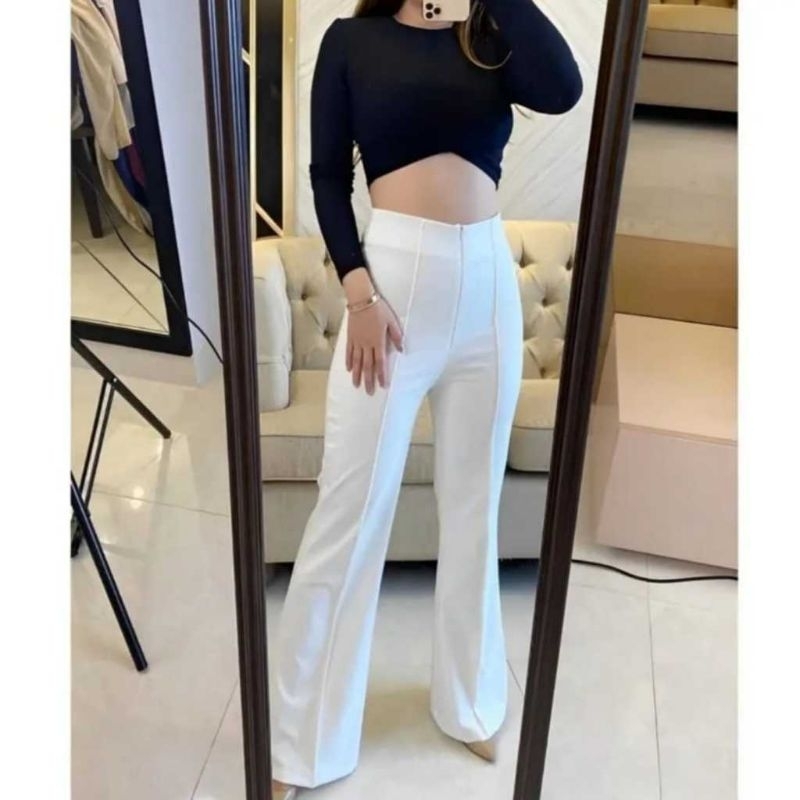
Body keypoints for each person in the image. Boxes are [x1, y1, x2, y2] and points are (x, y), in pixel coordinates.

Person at [270, 1, 582, 796]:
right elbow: (327, 177)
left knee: (474, 507)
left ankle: (471, 706)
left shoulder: (489, 37)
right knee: (348, 512)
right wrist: (359, 293)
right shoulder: (352, 40)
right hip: (392, 288)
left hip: (487, 291)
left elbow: (565, 89)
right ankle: (302, 743)